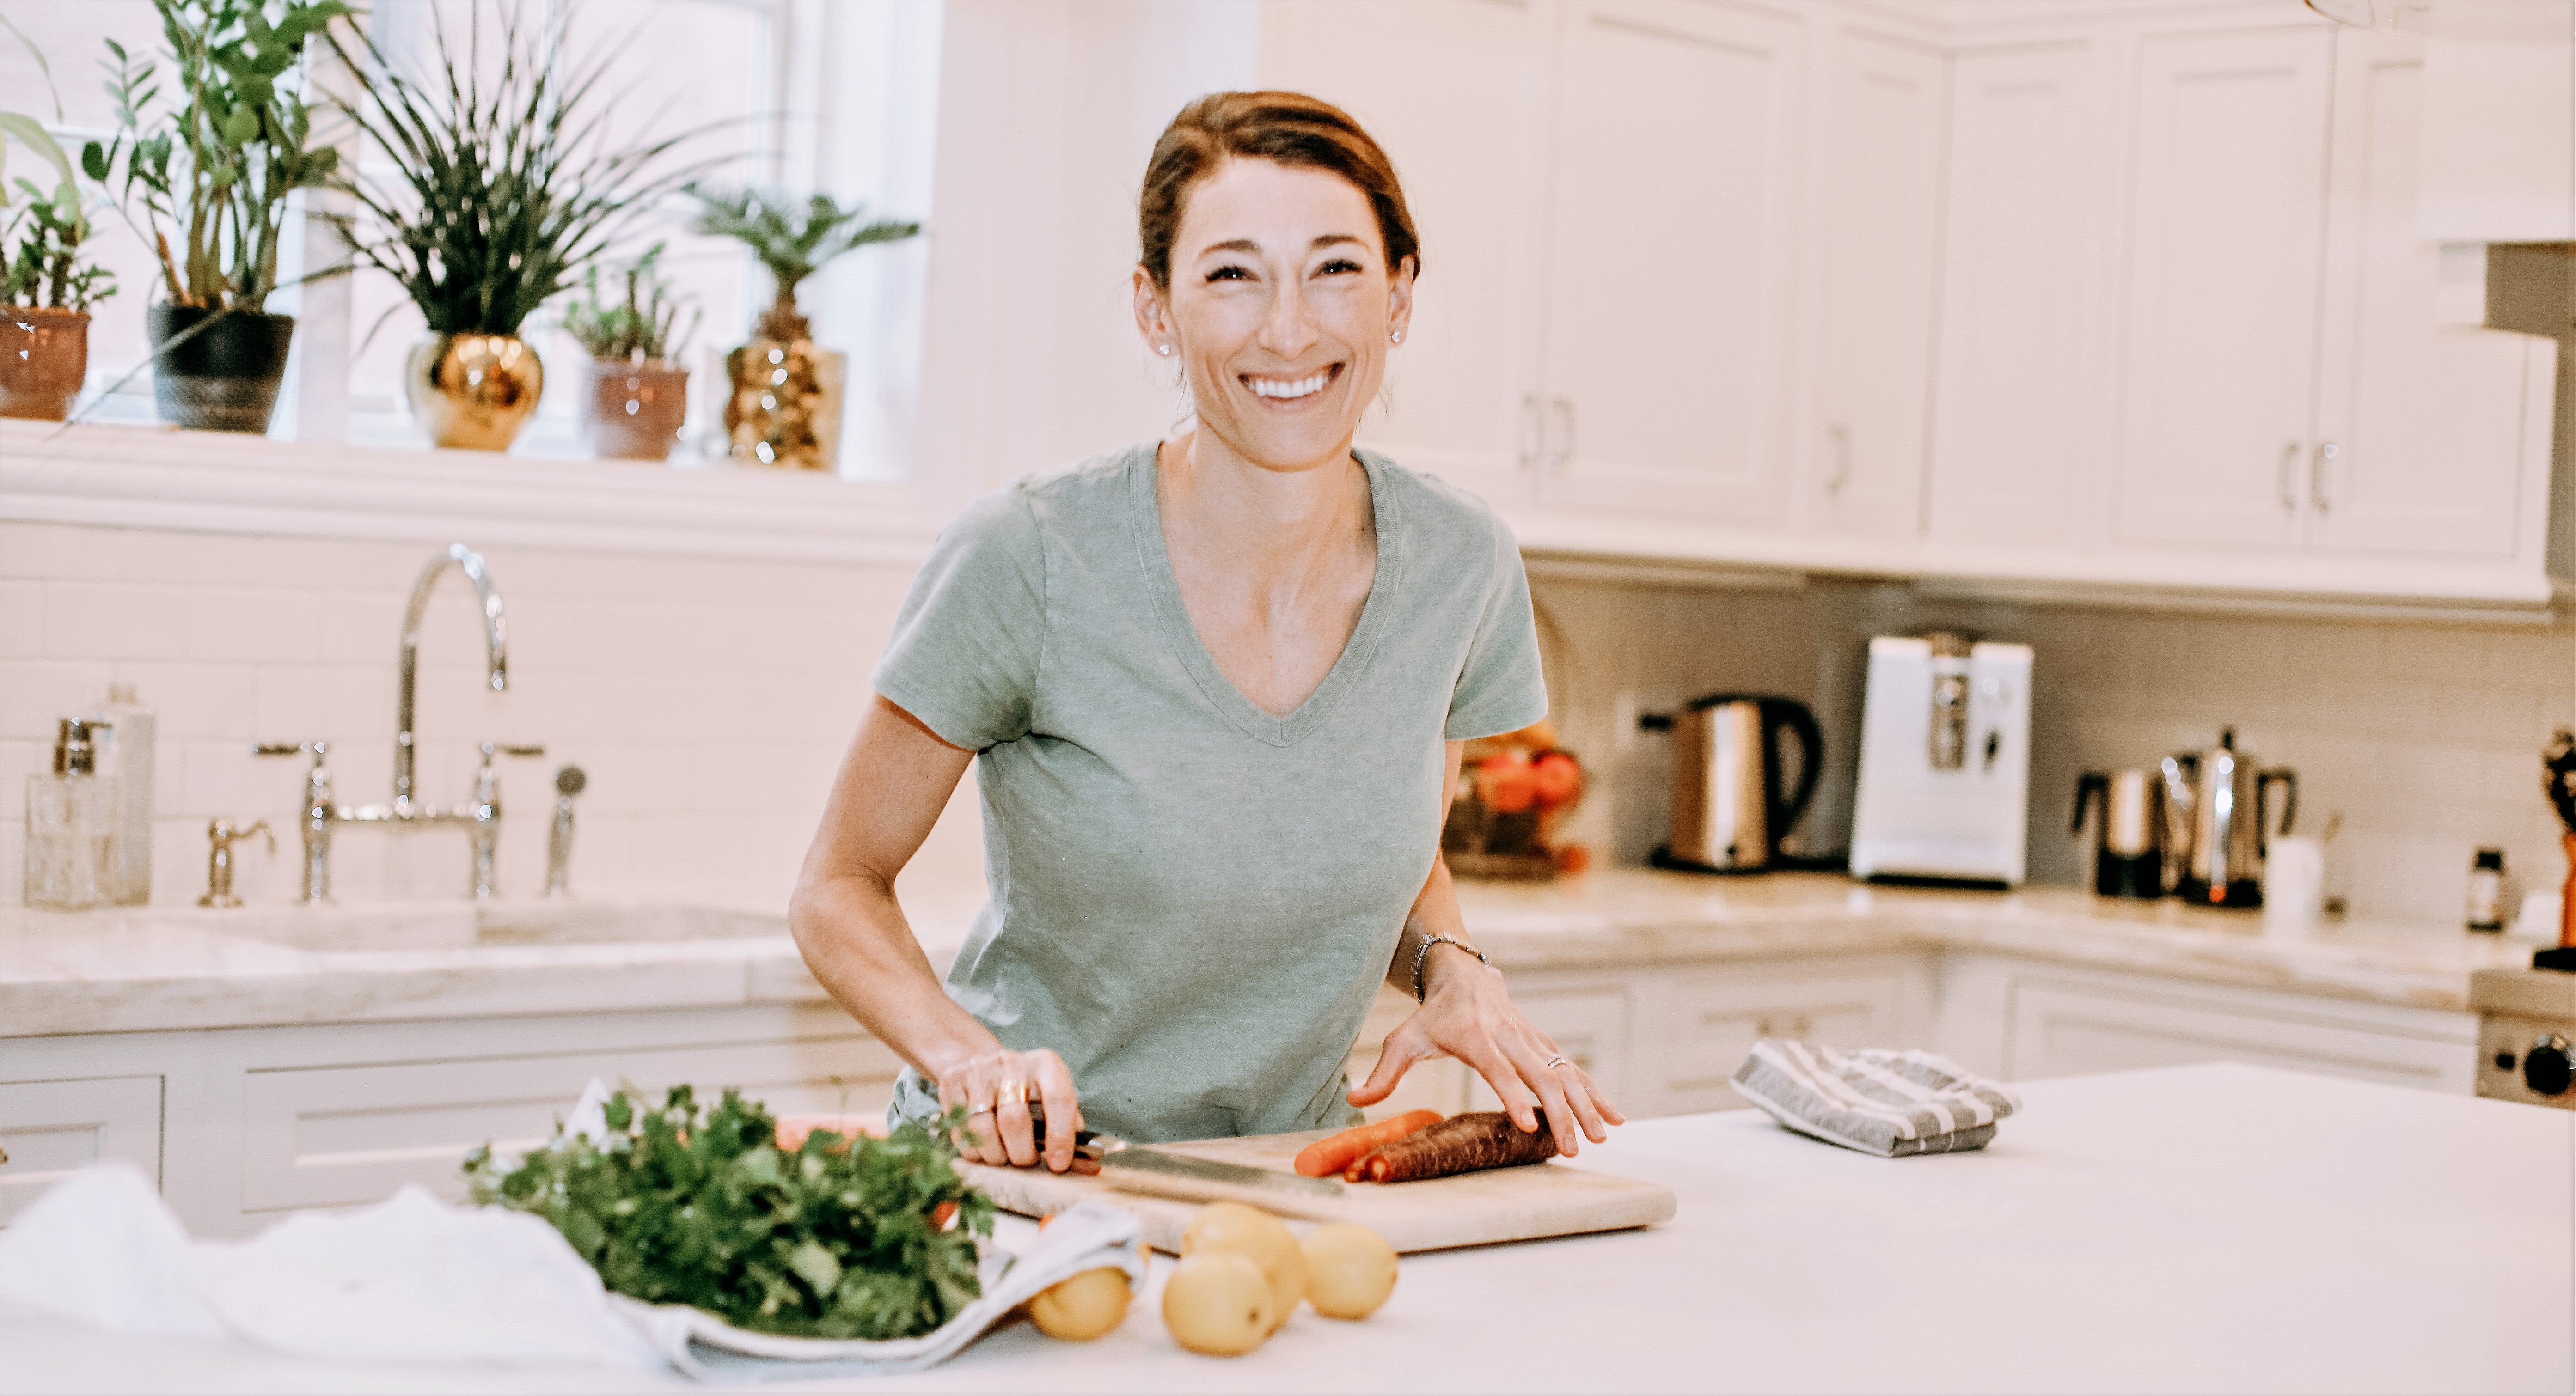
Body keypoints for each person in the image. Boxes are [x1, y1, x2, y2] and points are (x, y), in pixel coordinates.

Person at [789, 91, 1623, 1173]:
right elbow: (837, 885)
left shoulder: (1462, 567)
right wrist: (968, 1060)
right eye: (1234, 273)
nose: (1290, 328)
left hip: (1288, 1176)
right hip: (1022, 1178)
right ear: (1156, 308)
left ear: (1400, 297)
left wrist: (1451, 967)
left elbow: (1393, 842)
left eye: (1336, 268)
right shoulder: (1031, 554)